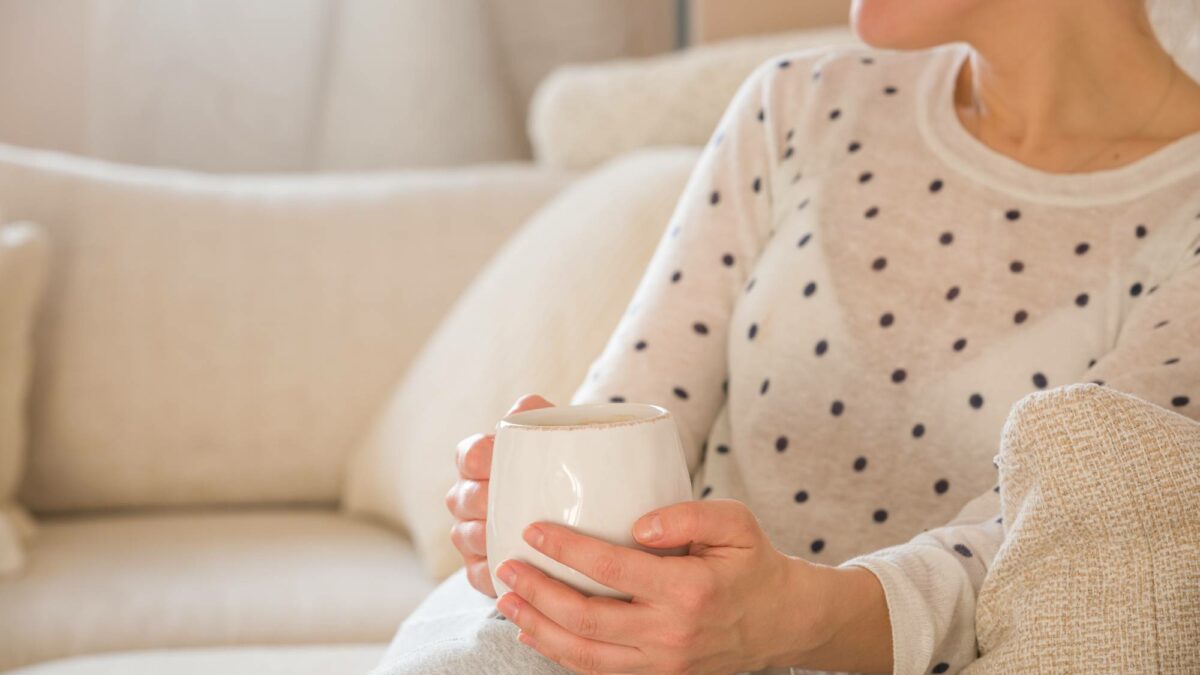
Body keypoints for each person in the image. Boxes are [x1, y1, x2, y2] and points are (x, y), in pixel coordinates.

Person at [377, 0, 1200, 672]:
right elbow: (634, 406)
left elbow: (1054, 552)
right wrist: (557, 525)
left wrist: (791, 617)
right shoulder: (799, 102)